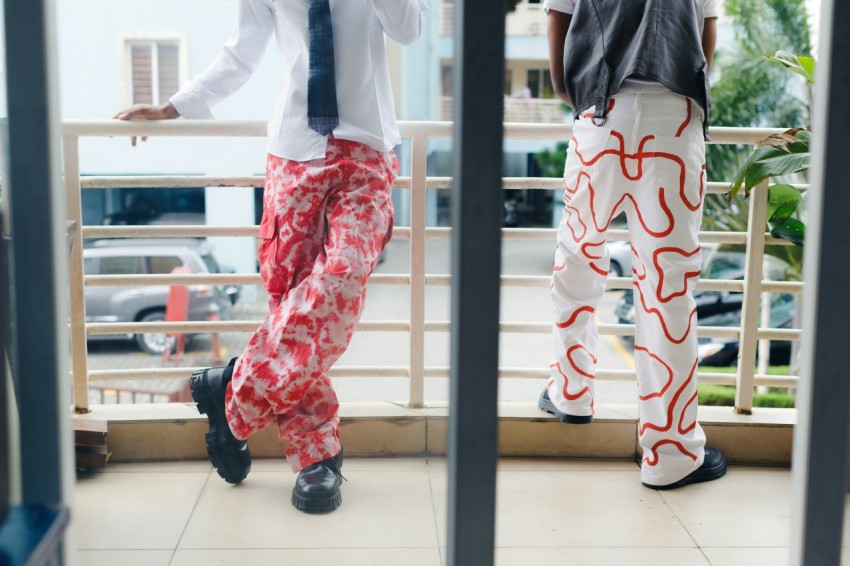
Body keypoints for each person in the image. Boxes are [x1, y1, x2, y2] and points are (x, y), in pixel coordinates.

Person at [114, 0, 428, 513]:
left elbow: (409, 29)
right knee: (293, 304)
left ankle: (233, 394)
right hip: (294, 149)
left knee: (343, 278)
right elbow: (240, 54)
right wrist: (174, 106)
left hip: (366, 149)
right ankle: (315, 457)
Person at [539, 0, 728, 490]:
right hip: (675, 126)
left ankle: (571, 393)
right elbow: (704, 52)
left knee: (578, 261)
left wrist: (590, 100)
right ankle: (670, 452)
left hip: (600, 120)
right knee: (667, 291)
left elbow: (559, 61)